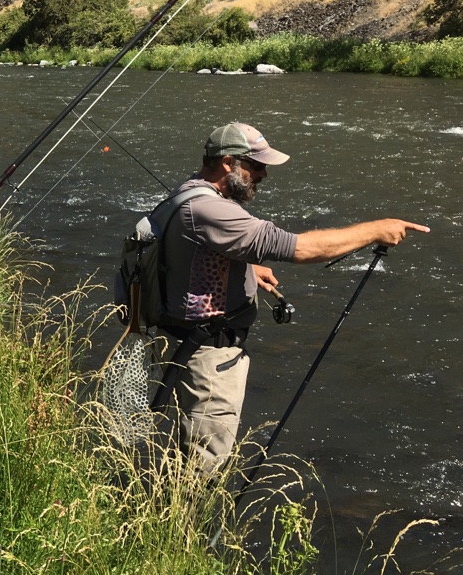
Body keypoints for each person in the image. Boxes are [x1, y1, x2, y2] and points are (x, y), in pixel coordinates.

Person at [155, 121, 428, 476]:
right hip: (209, 359)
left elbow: (186, 253)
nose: (264, 173)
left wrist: (247, 269)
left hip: (186, 344)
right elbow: (304, 249)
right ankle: (178, 529)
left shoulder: (190, 192)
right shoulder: (213, 211)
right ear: (226, 163)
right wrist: (377, 229)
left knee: (184, 455)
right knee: (202, 467)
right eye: (256, 165)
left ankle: (165, 520)